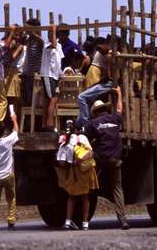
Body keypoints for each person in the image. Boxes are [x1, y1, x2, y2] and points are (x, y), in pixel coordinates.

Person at [84, 86, 129, 230]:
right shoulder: (114, 118)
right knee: (117, 189)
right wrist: (119, 94)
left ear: (94, 112)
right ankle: (123, 220)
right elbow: (120, 109)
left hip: (100, 159)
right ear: (105, 109)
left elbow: (86, 141)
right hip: (115, 159)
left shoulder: (93, 124)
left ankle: (84, 220)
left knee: (90, 187)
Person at [55, 121, 99, 231]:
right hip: (83, 172)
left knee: (71, 197)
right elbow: (91, 153)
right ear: (76, 129)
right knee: (85, 197)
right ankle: (85, 223)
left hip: (72, 171)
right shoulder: (82, 138)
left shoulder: (63, 139)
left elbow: (61, 162)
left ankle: (68, 221)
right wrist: (81, 160)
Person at [76, 38, 114, 129]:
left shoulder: (110, 54)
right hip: (96, 76)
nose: (98, 50)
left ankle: (84, 124)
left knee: (85, 99)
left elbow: (108, 76)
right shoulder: (104, 53)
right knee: (88, 100)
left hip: (100, 77)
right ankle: (81, 124)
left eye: (100, 47)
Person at [40, 24, 64, 132]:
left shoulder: (59, 46)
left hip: (54, 75)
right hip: (48, 74)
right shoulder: (46, 44)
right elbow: (53, 44)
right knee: (52, 99)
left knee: (48, 99)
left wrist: (60, 75)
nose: (50, 36)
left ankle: (45, 124)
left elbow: (59, 61)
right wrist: (53, 29)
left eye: (52, 33)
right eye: (49, 33)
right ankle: (49, 124)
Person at [3, 25, 24, 120]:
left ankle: (12, 121)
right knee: (5, 100)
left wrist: (12, 35)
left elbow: (12, 57)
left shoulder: (19, 46)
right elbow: (6, 46)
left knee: (12, 100)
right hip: (5, 72)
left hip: (13, 73)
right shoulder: (7, 42)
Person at [21, 18, 44, 107]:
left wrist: (30, 30)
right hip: (29, 76)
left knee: (36, 102)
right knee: (29, 101)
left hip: (36, 76)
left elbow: (40, 41)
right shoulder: (29, 40)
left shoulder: (39, 40)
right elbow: (21, 41)